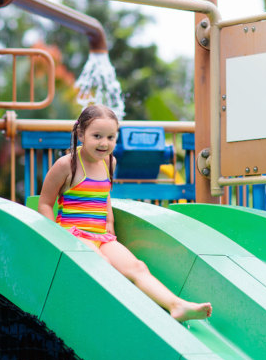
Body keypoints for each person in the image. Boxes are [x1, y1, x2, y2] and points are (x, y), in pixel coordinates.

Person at [38, 105, 212, 322]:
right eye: (97, 136)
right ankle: (119, 316)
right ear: (81, 134)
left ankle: (176, 305)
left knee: (138, 267)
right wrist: (53, 235)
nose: (104, 143)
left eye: (111, 137)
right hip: (73, 234)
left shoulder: (109, 162)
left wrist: (109, 219)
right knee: (102, 264)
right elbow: (45, 202)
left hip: (101, 235)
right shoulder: (67, 164)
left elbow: (104, 193)